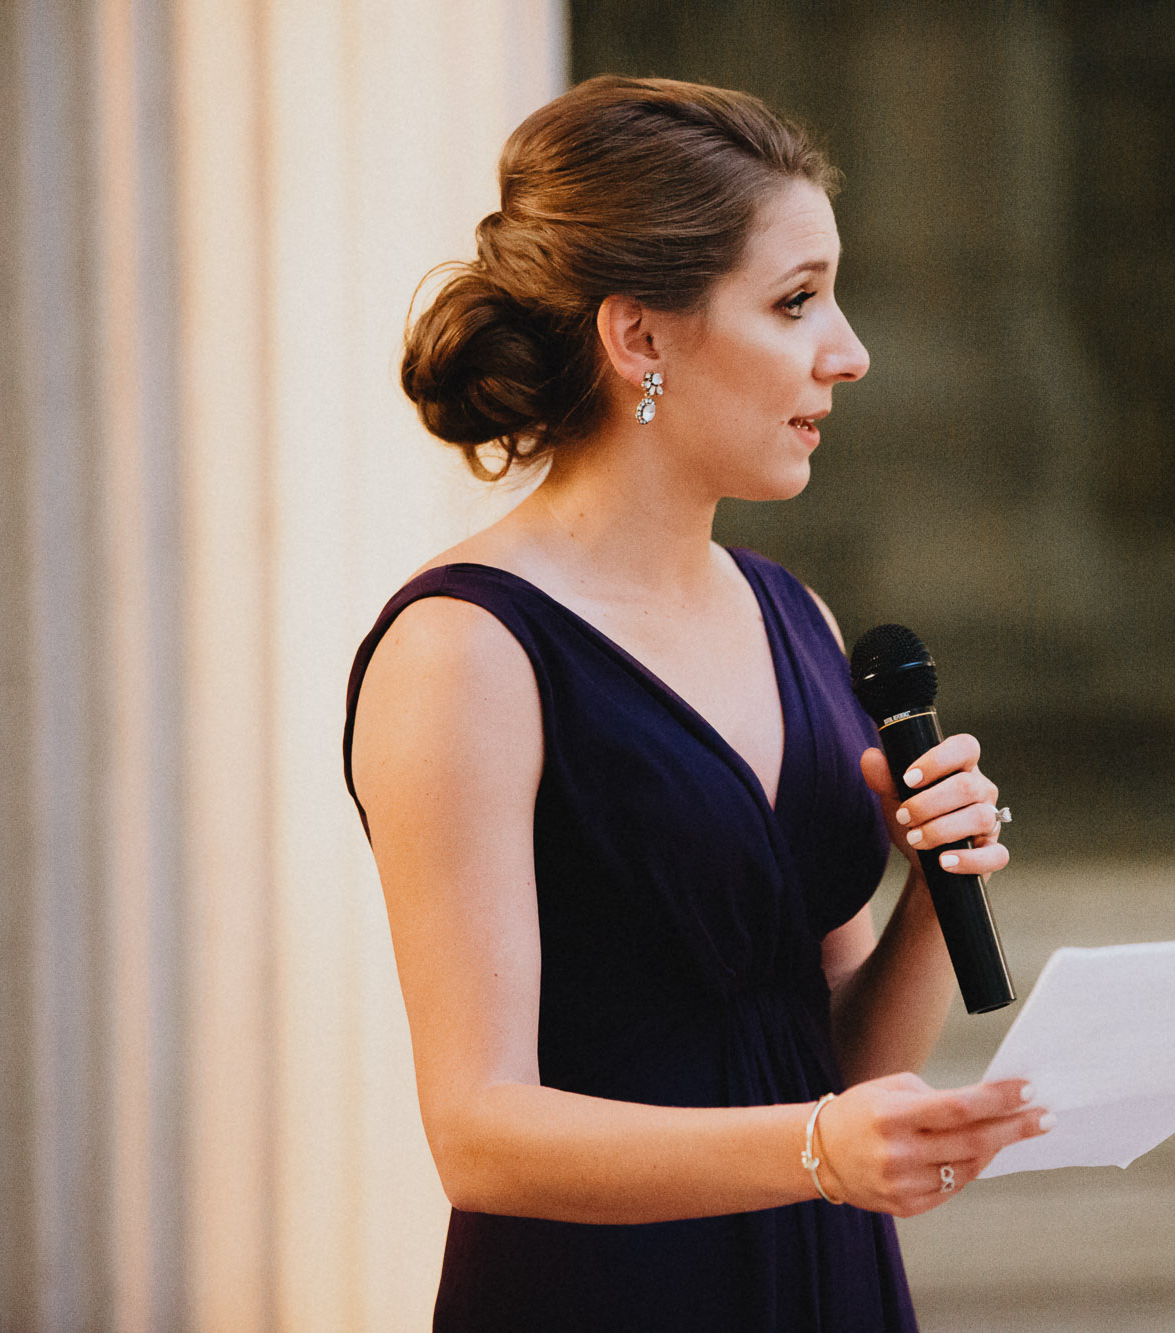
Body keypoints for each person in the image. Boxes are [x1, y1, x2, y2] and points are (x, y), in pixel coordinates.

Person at [341, 75, 1050, 1330]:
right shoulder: (466, 652)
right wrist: (820, 1150)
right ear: (640, 340)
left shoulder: (799, 620)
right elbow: (479, 1134)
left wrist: (939, 900)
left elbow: (833, 1068)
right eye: (794, 301)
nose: (851, 349)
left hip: (825, 1280)